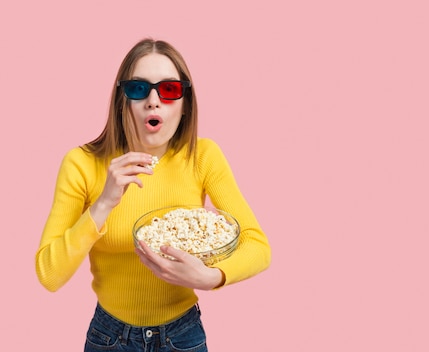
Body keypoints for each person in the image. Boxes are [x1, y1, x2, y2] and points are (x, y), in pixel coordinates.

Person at [35, 38, 271, 352]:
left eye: (169, 90)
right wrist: (104, 203)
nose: (153, 101)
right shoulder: (81, 164)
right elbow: (49, 274)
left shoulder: (203, 156)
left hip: (182, 336)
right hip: (109, 338)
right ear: (122, 100)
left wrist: (212, 277)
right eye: (138, 88)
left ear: (185, 104)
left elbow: (258, 245)